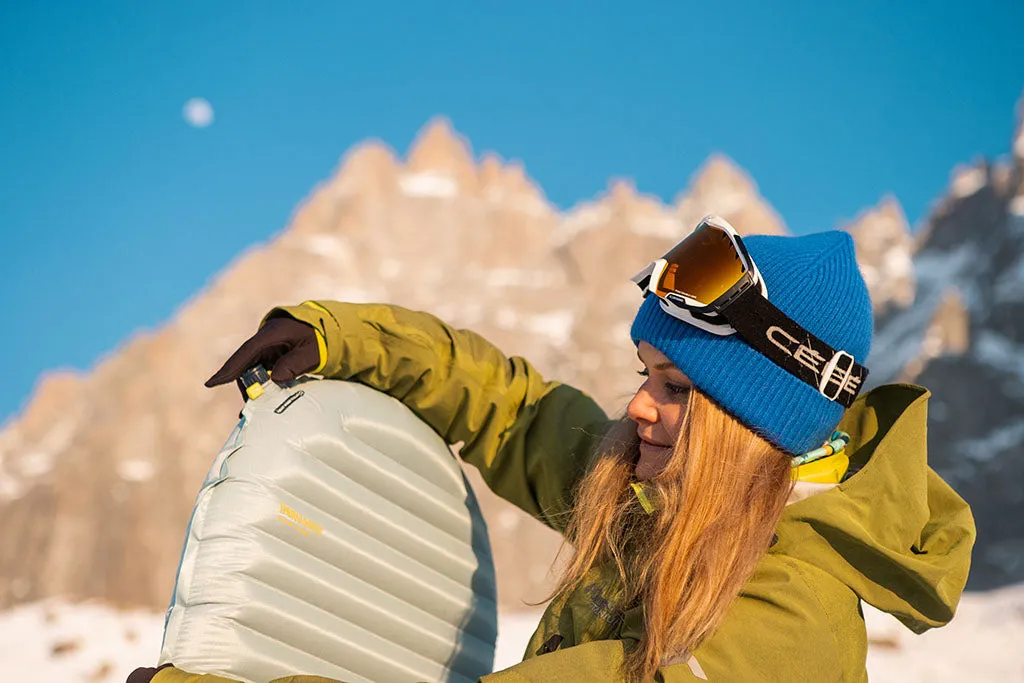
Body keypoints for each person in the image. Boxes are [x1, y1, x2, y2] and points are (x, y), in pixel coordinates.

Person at [133, 218, 975, 683]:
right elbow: (520, 413)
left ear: (756, 425)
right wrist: (342, 338)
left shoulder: (788, 629)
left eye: (679, 388)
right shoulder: (665, 496)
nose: (640, 405)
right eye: (644, 373)